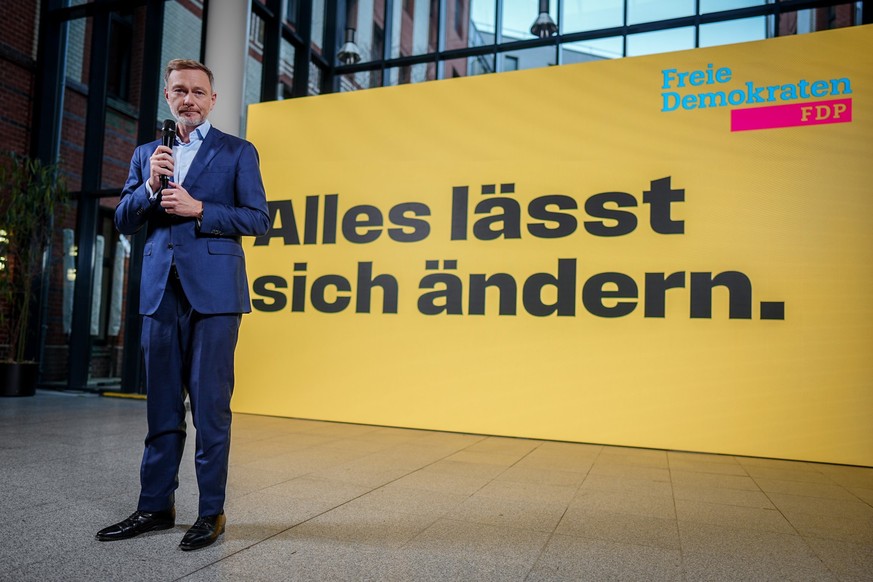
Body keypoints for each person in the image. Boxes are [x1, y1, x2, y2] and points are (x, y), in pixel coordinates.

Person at [96, 59, 270, 551]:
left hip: (215, 297)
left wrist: (201, 210)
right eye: (179, 91)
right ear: (167, 97)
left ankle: (210, 513)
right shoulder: (149, 153)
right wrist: (150, 186)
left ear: (213, 100)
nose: (189, 98)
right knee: (161, 410)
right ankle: (155, 507)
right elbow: (124, 221)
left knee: (211, 410)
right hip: (160, 294)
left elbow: (260, 219)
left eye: (198, 91)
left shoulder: (238, 152)